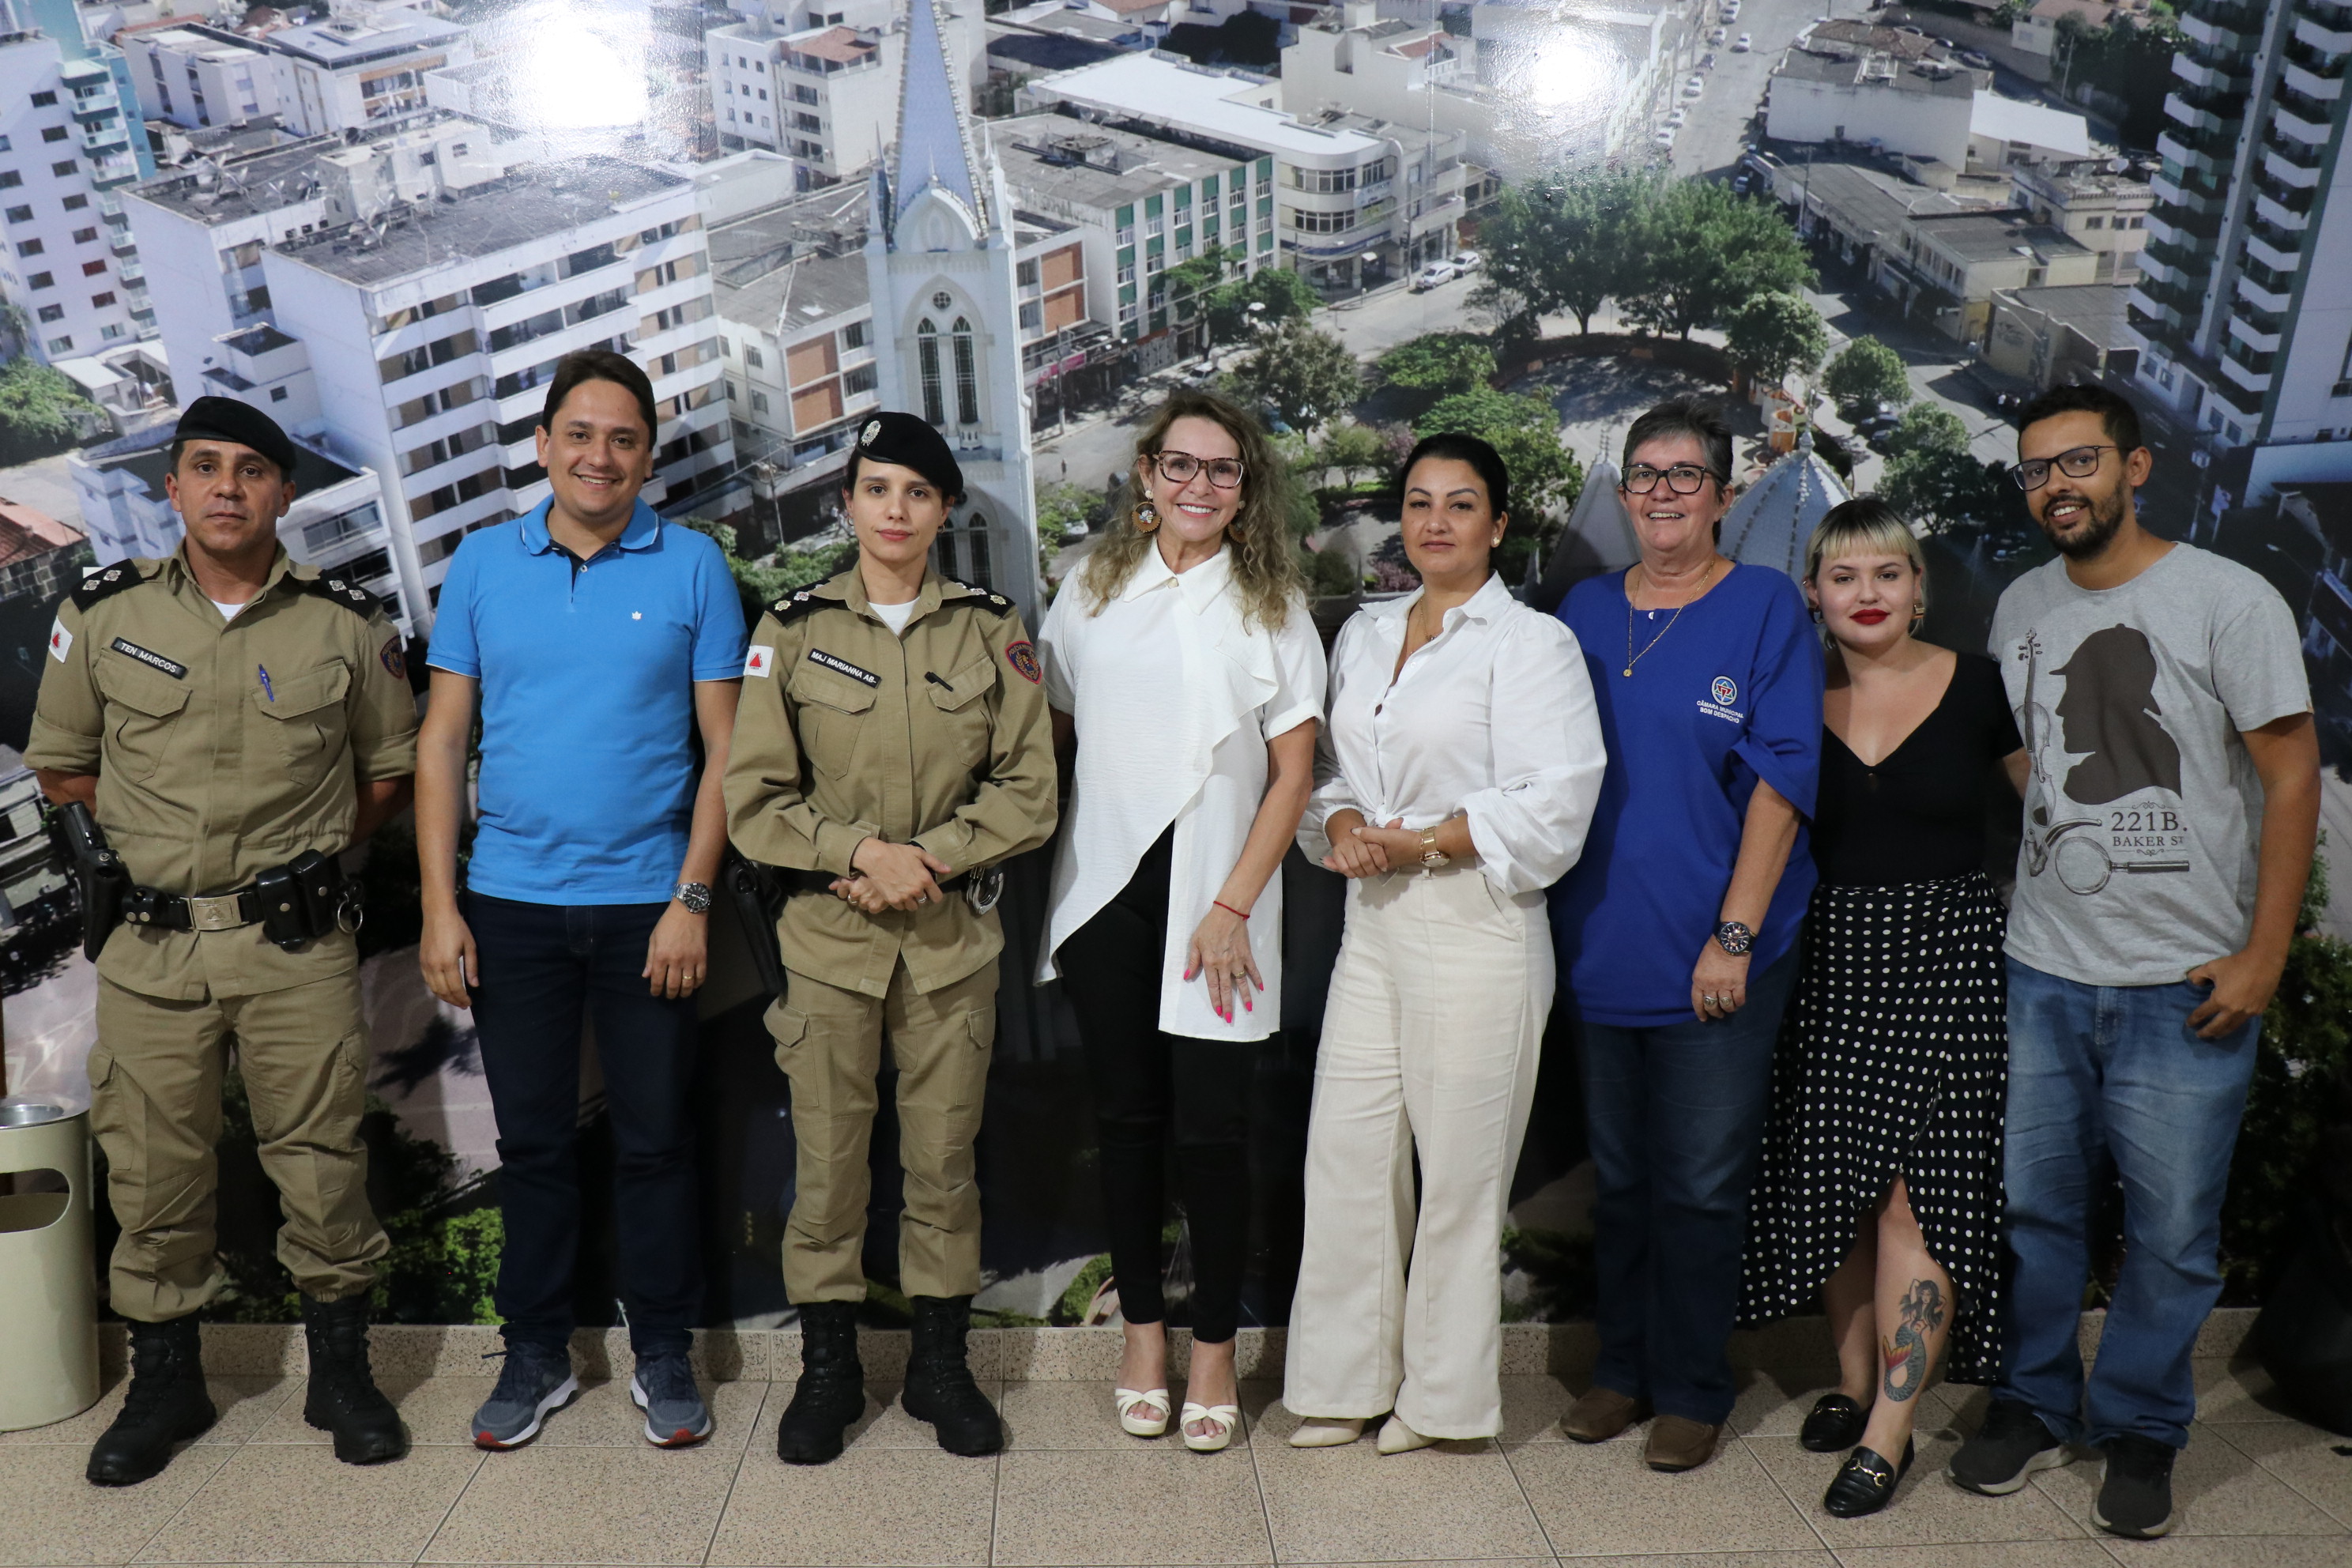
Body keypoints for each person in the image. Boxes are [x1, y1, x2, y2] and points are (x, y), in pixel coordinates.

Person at [1948, 384, 2320, 1540]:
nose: (2057, 486)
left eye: (2080, 463)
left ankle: (2145, 1429)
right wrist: (2058, 822)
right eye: (2037, 470)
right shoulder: (2019, 603)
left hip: (2187, 984)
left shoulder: (2227, 599)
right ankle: (2032, 1399)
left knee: (2169, 1233)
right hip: (2046, 969)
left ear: (2136, 466)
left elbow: (2293, 774)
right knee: (2039, 1214)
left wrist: (2264, 953)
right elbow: (2025, 751)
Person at [27, 397, 419, 1483]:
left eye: (252, 470)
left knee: (325, 1160)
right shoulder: (101, 614)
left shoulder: (347, 623)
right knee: (151, 1172)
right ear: (175, 489)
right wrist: (153, 849)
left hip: (294, 948)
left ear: (283, 493)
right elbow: (62, 767)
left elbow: (390, 776)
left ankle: (341, 1374)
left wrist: (308, 852)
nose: (228, 488)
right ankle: (168, 1384)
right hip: (151, 952)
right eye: (206, 467)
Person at [416, 350, 745, 1452]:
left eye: (623, 438)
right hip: (508, 905)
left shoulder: (694, 566)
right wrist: (438, 905)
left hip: (652, 907)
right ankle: (535, 1355)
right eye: (580, 433)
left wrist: (693, 898)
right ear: (545, 444)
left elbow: (726, 755)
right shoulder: (478, 566)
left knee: (655, 1141)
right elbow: (443, 740)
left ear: (648, 455)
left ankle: (663, 1351)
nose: (599, 456)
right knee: (537, 1145)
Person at [725, 412, 1057, 1464]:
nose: (896, 511)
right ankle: (828, 1374)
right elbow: (755, 802)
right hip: (829, 944)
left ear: (944, 508)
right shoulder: (794, 630)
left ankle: (939, 1370)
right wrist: (865, 852)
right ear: (848, 504)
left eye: (917, 493)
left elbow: (1029, 791)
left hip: (951, 945)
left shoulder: (991, 632)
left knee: (943, 1166)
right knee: (824, 1169)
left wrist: (932, 858)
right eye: (876, 490)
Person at [1283, 435, 1604, 1453]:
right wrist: (1339, 827)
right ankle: (1341, 1383)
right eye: (1418, 502)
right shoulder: (1368, 635)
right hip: (1371, 925)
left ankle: (1444, 1404)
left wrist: (1417, 840)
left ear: (1498, 526)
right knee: (1347, 1155)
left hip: (1480, 927)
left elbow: (1554, 808)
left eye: (1460, 505)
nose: (1434, 522)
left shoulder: (1532, 646)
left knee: (1460, 1180)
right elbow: (1334, 772)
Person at [1037, 389, 1323, 1453]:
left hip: (1221, 904)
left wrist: (1232, 906)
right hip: (1110, 895)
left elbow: (1293, 776)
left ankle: (1214, 1351)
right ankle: (1143, 1339)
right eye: (1181, 465)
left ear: (1246, 492)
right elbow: (1058, 732)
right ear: (1148, 475)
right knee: (1126, 1128)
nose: (1199, 485)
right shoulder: (1091, 591)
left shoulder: (1273, 606)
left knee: (1213, 1134)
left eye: (1223, 470)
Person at [1547, 396, 1822, 1472]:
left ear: (1720, 491)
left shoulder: (1761, 607)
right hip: (1601, 942)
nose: (1663, 492)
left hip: (1719, 950)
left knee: (1700, 1184)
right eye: (1645, 475)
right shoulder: (1577, 611)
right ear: (1624, 494)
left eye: (1685, 474)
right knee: (1618, 1181)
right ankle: (1623, 1370)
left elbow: (1782, 781)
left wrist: (1737, 935)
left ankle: (1696, 1386)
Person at [1739, 499, 2026, 1517]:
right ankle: (1854, 1385)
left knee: (1921, 1192)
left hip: (1950, 960)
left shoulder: (1984, 689)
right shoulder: (1792, 702)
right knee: (1839, 1188)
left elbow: (2051, 823)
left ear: (1919, 588)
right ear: (1815, 595)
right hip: (1829, 962)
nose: (1867, 595)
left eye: (1887, 575)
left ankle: (1890, 1435)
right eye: (1845, 577)